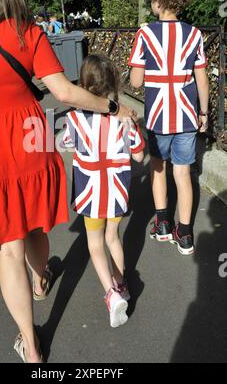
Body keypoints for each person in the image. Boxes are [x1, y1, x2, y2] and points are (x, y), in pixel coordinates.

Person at [0, 0, 136, 363]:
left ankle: (30, 344)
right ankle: (41, 279)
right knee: (33, 222)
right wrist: (111, 107)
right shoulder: (28, 31)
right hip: (31, 135)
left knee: (7, 248)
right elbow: (63, 92)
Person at [129, 0, 209, 256]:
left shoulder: (145, 33)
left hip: (157, 116)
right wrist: (203, 112)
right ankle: (185, 234)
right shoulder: (194, 34)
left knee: (158, 168)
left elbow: (136, 81)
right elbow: (201, 78)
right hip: (187, 116)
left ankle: (162, 223)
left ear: (158, 2)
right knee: (184, 174)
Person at [62, 54, 145, 328]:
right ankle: (122, 285)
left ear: (83, 83)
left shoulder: (74, 119)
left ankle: (111, 294)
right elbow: (139, 157)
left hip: (90, 192)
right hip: (117, 190)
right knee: (113, 237)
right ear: (114, 83)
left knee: (94, 243)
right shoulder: (125, 119)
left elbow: (67, 144)